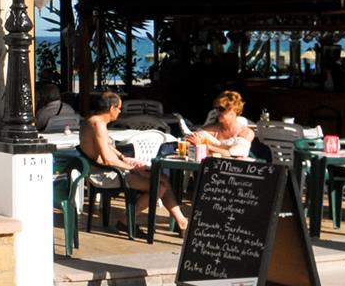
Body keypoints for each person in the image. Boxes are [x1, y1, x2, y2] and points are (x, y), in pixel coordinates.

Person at [81, 90, 187, 231]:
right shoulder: (97, 124)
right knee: (159, 186)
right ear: (111, 108)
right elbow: (107, 159)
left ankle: (182, 222)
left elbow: (106, 146)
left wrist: (123, 157)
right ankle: (125, 221)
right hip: (105, 173)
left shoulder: (95, 121)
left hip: (113, 169)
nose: (120, 112)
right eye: (119, 108)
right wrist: (132, 168)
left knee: (163, 179)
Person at [194, 90, 256, 158]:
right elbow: (191, 140)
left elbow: (234, 154)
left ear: (235, 110)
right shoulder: (209, 129)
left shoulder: (246, 132)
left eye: (221, 109)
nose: (217, 112)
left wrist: (204, 146)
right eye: (216, 109)